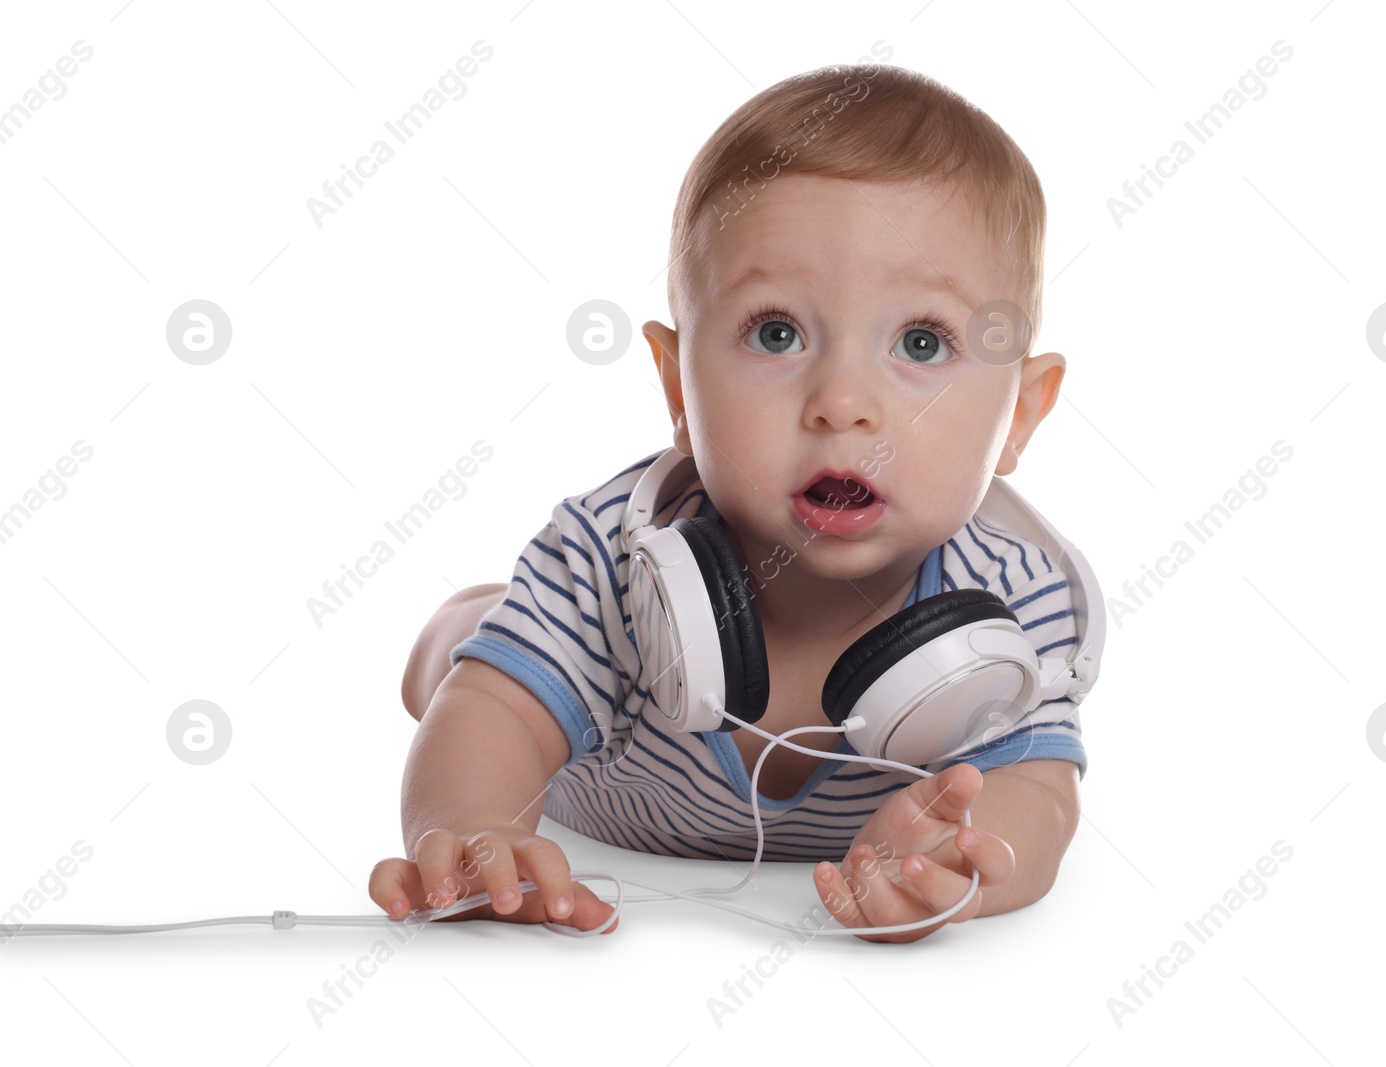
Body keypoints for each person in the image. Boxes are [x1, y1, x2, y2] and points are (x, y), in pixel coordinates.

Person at [371, 61, 1092, 943]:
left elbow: (1038, 795)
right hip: (605, 790)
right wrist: (478, 826)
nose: (842, 400)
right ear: (678, 385)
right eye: (777, 332)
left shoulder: (1015, 604)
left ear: (1019, 414)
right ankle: (465, 624)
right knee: (469, 662)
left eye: (920, 340)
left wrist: (959, 868)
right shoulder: (607, 559)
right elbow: (498, 716)